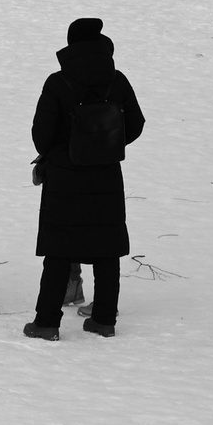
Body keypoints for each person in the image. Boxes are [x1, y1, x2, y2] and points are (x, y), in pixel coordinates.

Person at [24, 17, 146, 339]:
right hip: (106, 176)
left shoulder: (57, 82)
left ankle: (47, 323)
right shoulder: (117, 80)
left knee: (59, 251)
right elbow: (135, 124)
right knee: (107, 250)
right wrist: (104, 143)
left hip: (65, 179)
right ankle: (104, 320)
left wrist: (63, 152)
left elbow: (41, 136)